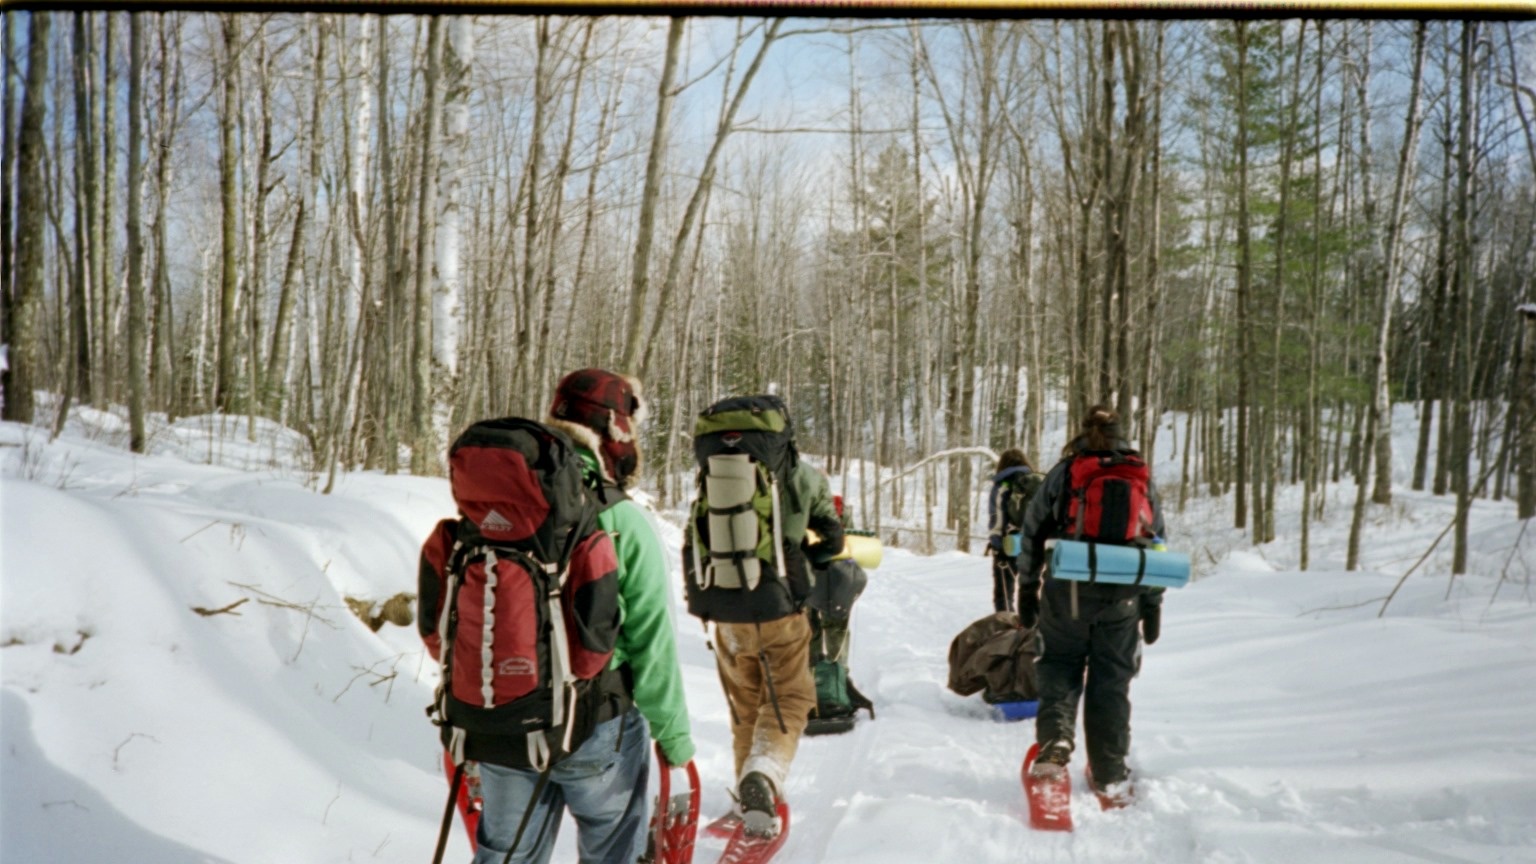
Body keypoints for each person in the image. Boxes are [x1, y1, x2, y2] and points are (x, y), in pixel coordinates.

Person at [469, 368, 695, 864]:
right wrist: (673, 735)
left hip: (502, 721)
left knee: (506, 855)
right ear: (614, 430)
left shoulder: (492, 506)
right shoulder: (620, 518)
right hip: (596, 725)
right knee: (613, 849)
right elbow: (653, 638)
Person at [685, 394, 844, 839]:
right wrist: (807, 557)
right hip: (780, 609)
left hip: (727, 613)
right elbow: (832, 539)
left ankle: (748, 791)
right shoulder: (804, 477)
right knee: (789, 698)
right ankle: (764, 776)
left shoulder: (712, 475)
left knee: (746, 707)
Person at [1014, 406, 1164, 800]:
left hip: (1068, 593)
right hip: (1122, 598)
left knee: (1060, 668)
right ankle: (1110, 770)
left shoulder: (1066, 472)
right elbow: (1157, 543)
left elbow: (1032, 532)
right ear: (1121, 434)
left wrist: (1026, 590)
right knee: (1111, 681)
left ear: (1082, 431)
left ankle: (1054, 750)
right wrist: (1152, 605)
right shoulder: (1140, 475)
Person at [985, 449, 1043, 615]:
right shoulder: (1037, 483)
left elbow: (997, 518)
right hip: (1034, 545)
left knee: (1004, 591)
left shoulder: (1002, 485)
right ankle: (1031, 628)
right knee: (1030, 590)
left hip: (1009, 545)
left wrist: (997, 545)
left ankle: (1008, 628)